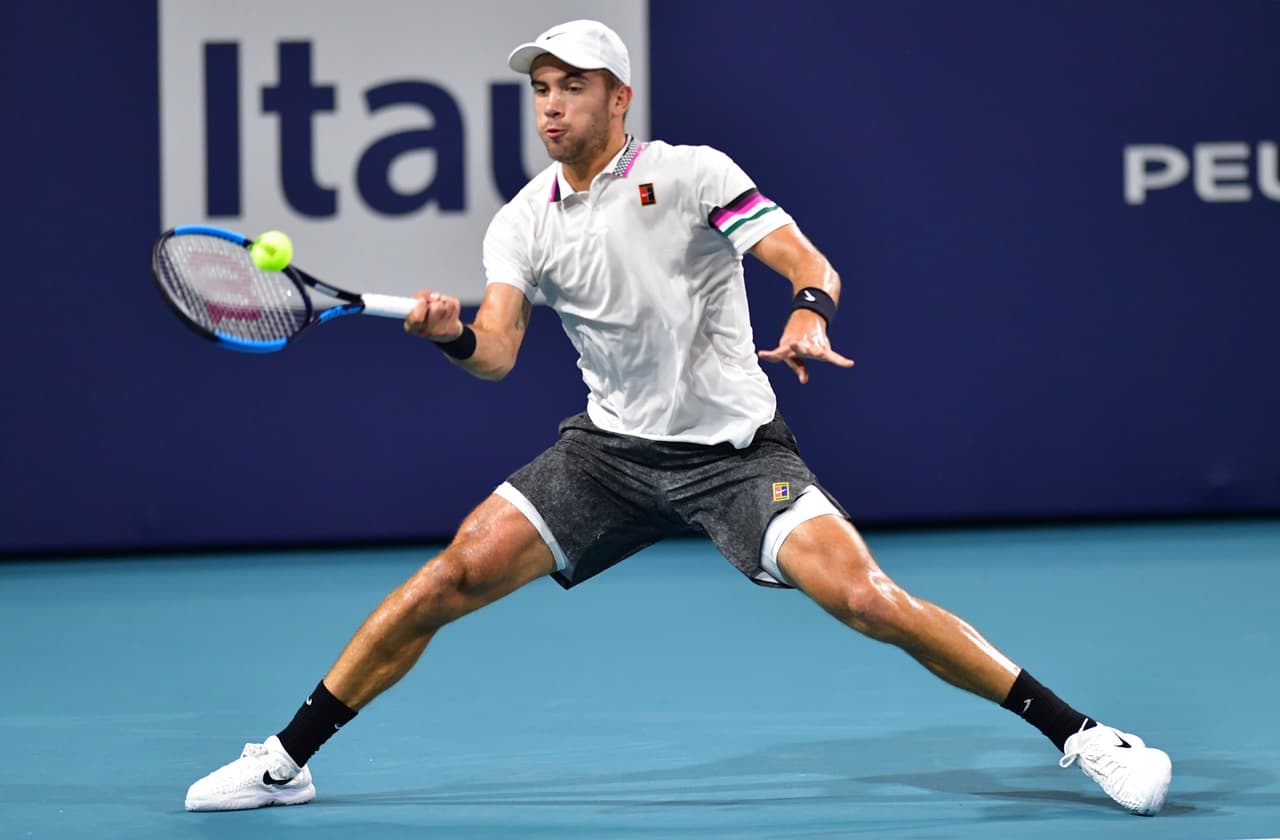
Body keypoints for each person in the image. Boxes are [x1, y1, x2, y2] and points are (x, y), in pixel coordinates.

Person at [184, 19, 1172, 817]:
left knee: (867, 597)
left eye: (571, 85)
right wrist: (445, 333)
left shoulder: (692, 173)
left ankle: (1084, 737)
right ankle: (286, 760)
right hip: (606, 456)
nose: (550, 104)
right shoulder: (521, 219)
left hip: (735, 459)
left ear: (617, 98)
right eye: (538, 88)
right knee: (449, 575)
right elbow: (494, 352)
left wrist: (806, 311)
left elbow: (805, 261)